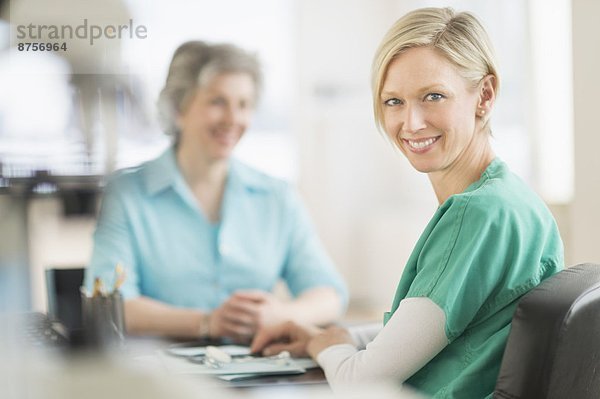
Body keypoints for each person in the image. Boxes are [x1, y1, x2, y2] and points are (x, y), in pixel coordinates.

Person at [250, 7, 564, 398]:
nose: (411, 123)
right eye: (393, 101)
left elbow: (359, 380)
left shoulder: (476, 214)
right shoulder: (514, 199)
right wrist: (338, 336)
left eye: (433, 96)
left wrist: (322, 347)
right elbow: (444, 330)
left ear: (485, 95)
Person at [85, 41, 347, 342]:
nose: (233, 119)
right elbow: (109, 304)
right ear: (178, 108)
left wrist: (281, 315)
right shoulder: (127, 193)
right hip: (163, 378)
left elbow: (329, 294)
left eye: (244, 105)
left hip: (257, 373)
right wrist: (206, 322)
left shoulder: (277, 196)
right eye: (217, 102)